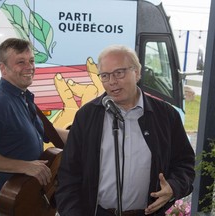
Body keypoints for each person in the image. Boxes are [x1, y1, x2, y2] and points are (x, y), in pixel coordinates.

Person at [55, 45, 195, 216]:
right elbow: (68, 175)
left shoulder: (165, 116)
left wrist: (173, 187)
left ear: (137, 73)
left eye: (119, 73)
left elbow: (185, 164)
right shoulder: (86, 116)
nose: (112, 81)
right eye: (105, 76)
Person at [0, 38, 68, 216]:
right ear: (3, 68)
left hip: (28, 197)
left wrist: (84, 134)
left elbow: (43, 131)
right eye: (21, 62)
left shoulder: (22, 96)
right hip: (6, 203)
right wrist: (25, 166)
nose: (30, 67)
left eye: (32, 61)